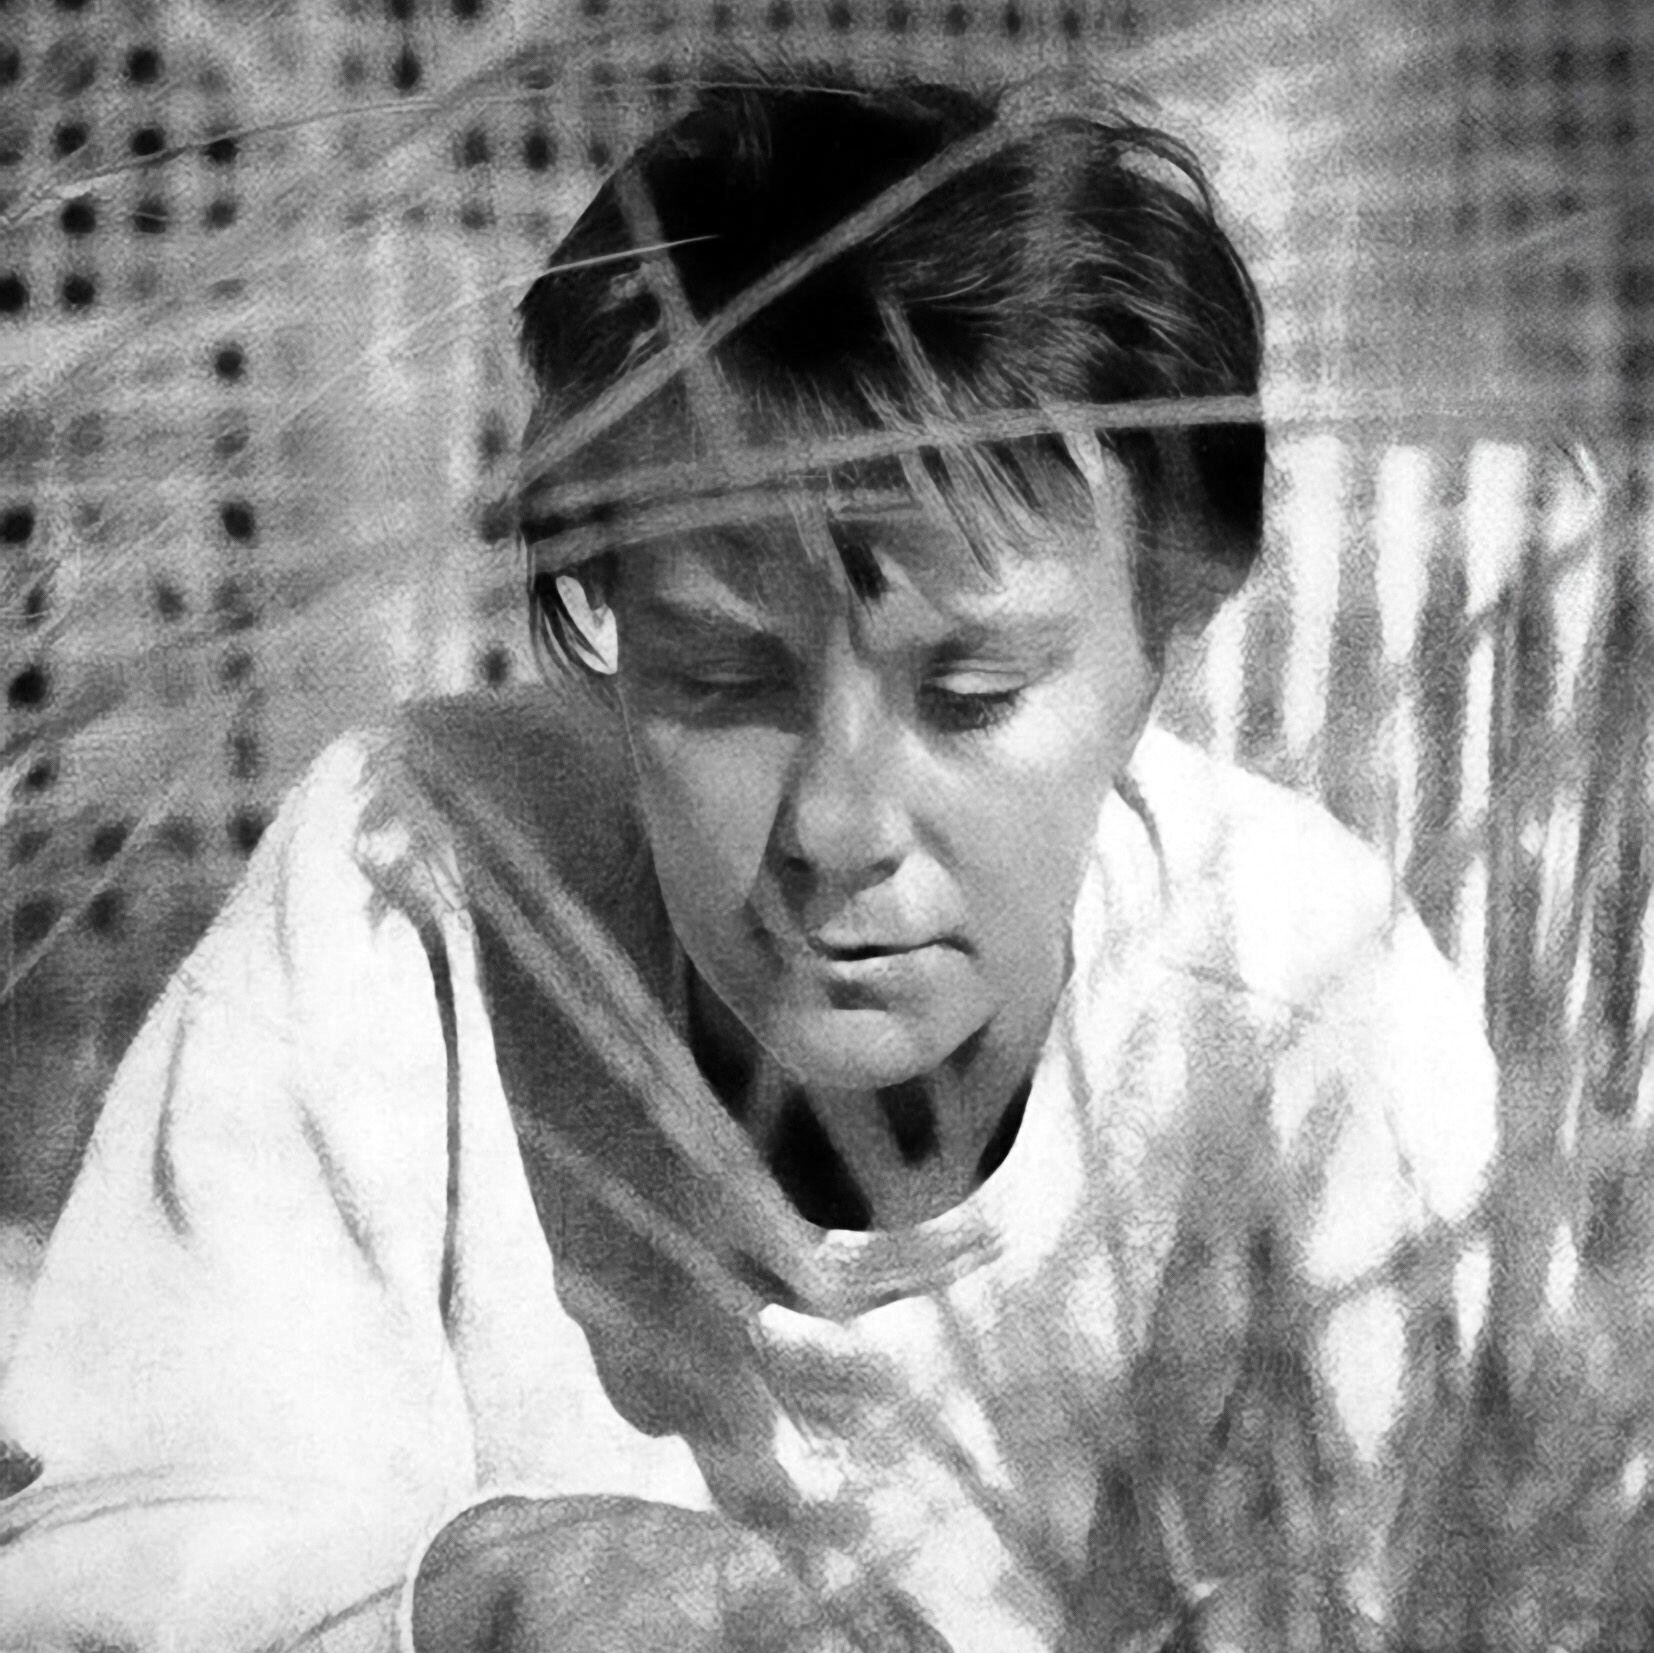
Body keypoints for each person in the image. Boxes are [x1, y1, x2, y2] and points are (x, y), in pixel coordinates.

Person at [0, 69, 1496, 1653]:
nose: (835, 828)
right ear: (608, 609)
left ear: (1165, 635)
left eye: (969, 696)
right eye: (722, 677)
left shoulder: (1303, 1020)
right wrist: (482, 1589)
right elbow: (98, 1559)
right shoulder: (413, 884)